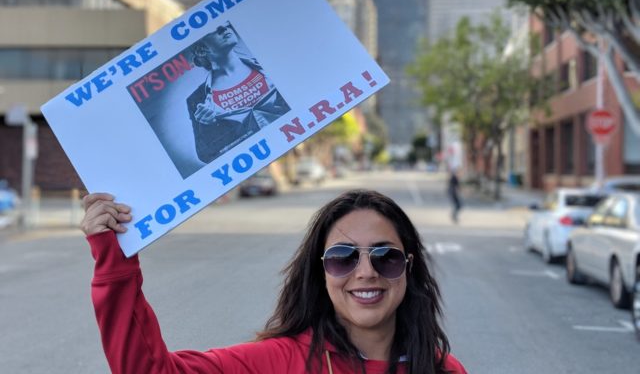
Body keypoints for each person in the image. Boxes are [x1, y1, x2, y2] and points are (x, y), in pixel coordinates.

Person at [81, 189, 468, 374]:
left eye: (386, 257)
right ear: (321, 272)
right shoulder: (275, 362)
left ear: (408, 267)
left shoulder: (445, 369)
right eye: (343, 258)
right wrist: (115, 263)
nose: (365, 272)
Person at [187, 22, 290, 162]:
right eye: (212, 30)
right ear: (200, 50)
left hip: (293, 144)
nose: (223, 28)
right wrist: (207, 126)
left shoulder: (268, 63)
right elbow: (206, 155)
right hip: (258, 162)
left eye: (226, 24)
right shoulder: (197, 99)